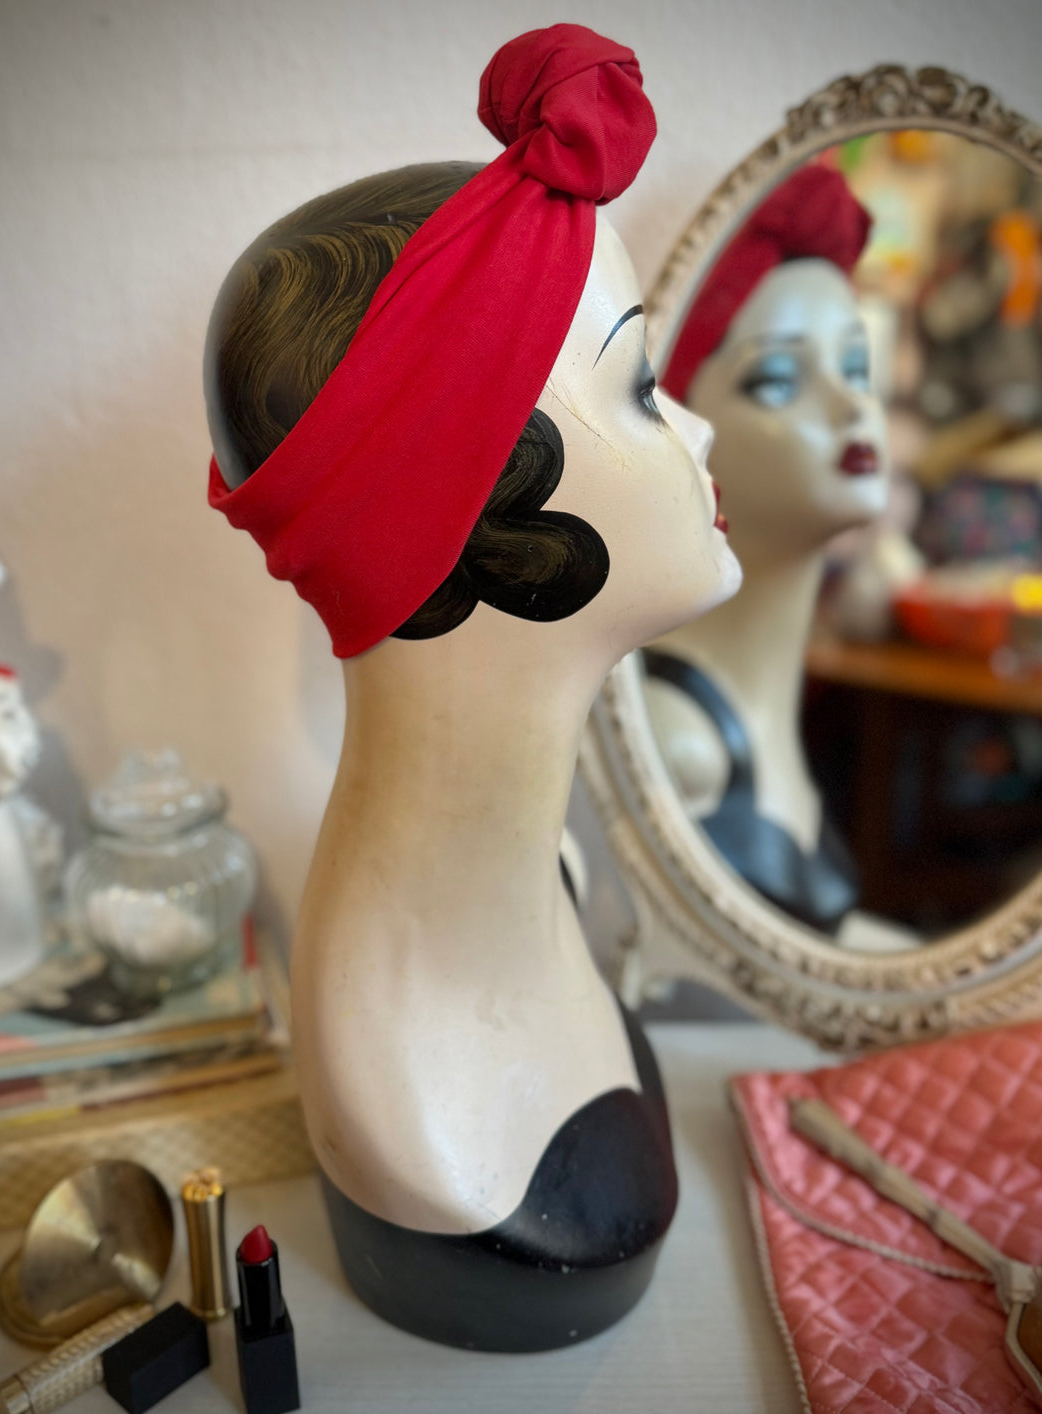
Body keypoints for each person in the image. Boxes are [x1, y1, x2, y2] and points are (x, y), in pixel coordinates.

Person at [205, 25, 739, 1351]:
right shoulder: (399, 1084)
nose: (700, 429)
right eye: (642, 385)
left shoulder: (556, 869)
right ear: (477, 504)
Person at [646, 164, 888, 937]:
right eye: (778, 381)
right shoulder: (678, 744)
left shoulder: (767, 729)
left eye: (857, 367)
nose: (851, 406)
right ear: (685, 427)